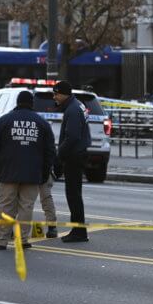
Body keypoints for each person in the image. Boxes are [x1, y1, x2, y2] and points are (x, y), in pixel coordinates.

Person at [0, 91, 55, 250]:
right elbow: (49, 150)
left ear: (17, 102)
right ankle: (22, 240)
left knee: (5, 206)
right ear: (32, 103)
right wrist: (45, 171)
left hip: (8, 170)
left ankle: (1, 240)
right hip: (32, 172)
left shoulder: (4, 120)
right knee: (27, 206)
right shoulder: (41, 123)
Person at [52, 80, 91, 243]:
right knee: (75, 194)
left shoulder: (72, 109)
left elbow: (72, 137)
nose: (54, 97)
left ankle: (79, 231)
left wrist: (59, 155)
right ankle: (78, 229)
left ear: (64, 94)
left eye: (56, 94)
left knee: (73, 195)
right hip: (79, 154)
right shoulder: (76, 105)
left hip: (74, 156)